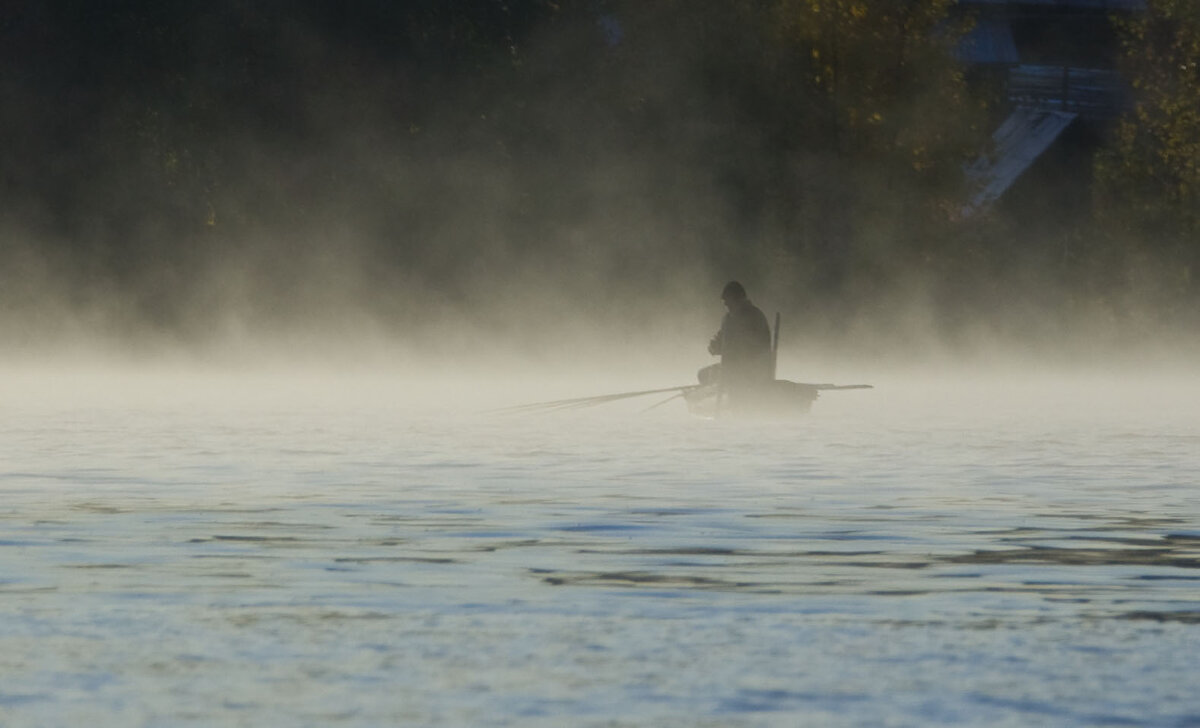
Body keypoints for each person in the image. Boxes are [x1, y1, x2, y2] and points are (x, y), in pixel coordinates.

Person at [700, 281, 773, 408]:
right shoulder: (728, 318)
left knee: (723, 378)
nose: (726, 305)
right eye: (725, 304)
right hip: (731, 369)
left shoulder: (754, 316)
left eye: (728, 302)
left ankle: (731, 401)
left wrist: (726, 349)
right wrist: (714, 346)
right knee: (703, 374)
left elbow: (754, 346)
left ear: (739, 299)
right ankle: (720, 397)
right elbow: (720, 339)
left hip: (751, 371)